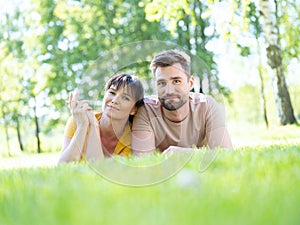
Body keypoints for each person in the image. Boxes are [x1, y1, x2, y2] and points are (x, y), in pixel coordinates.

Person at [131, 49, 232, 155]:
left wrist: (183, 154)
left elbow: (225, 153)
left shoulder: (206, 105)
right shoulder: (146, 109)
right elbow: (142, 159)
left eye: (176, 81)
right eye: (161, 83)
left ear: (191, 83)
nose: (169, 91)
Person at [58, 73, 144, 164]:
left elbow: (99, 169)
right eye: (112, 93)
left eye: (125, 98)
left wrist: (93, 126)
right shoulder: (79, 120)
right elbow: (63, 166)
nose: (114, 100)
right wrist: (83, 126)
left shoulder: (133, 138)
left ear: (134, 109)